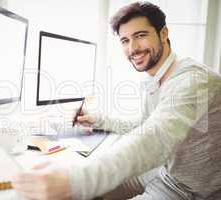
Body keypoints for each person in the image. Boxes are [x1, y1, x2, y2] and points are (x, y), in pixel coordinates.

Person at [12, 1, 221, 200]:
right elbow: (143, 126)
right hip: (165, 173)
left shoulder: (193, 81)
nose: (133, 48)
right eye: (125, 40)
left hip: (192, 191)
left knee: (80, 190)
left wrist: (73, 181)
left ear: (163, 33)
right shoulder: (158, 80)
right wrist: (98, 120)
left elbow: (155, 138)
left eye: (140, 35)